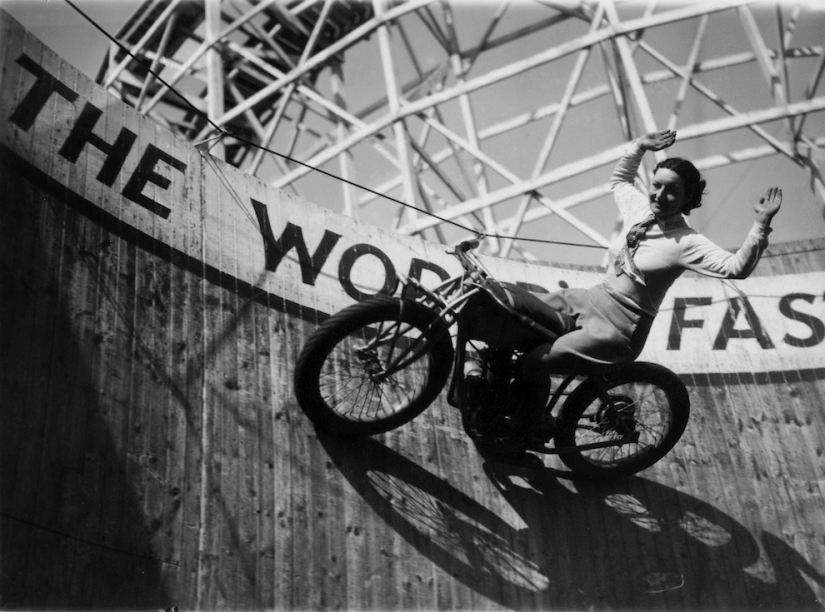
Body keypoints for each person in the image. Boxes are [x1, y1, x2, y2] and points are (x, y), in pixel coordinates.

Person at [480, 129, 782, 448]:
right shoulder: (640, 211)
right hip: (590, 298)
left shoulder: (687, 242)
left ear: (687, 198)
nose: (660, 195)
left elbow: (736, 268)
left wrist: (761, 225)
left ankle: (521, 438)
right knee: (508, 310)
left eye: (672, 191)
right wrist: (638, 147)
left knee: (534, 362)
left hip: (618, 330)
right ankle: (493, 400)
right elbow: (620, 181)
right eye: (657, 185)